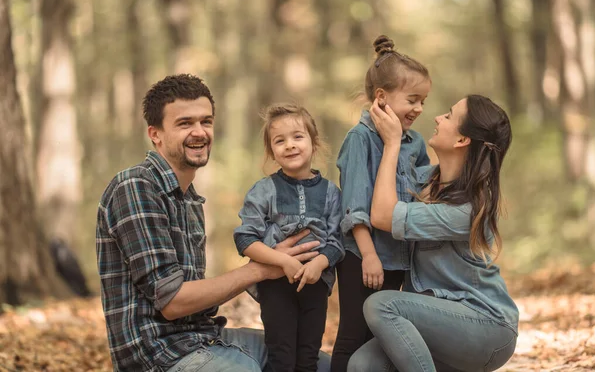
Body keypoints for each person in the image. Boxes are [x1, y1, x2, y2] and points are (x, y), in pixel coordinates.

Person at [96, 74, 331, 372]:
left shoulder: (190, 199)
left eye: (206, 122)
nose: (199, 132)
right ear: (155, 134)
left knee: (325, 366)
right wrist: (261, 268)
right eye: (185, 123)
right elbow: (173, 303)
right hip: (158, 356)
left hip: (205, 338)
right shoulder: (135, 186)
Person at [347, 95, 519, 371]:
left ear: (462, 140)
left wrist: (392, 142)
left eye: (449, 116)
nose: (438, 118)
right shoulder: (423, 180)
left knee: (381, 306)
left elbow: (382, 215)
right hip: (436, 326)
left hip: (487, 327)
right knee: (362, 365)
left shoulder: (470, 207)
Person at [331, 35, 431, 371]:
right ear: (382, 97)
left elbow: (422, 191)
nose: (418, 109)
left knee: (384, 342)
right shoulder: (359, 139)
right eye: (412, 100)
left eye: (423, 102)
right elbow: (354, 205)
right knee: (353, 336)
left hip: (398, 257)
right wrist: (369, 255)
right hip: (364, 256)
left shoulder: (414, 142)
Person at [233, 104, 344, 372]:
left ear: (314, 142)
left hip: (315, 284)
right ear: (272, 152)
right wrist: (281, 261)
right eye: (279, 141)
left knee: (308, 356)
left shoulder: (331, 192)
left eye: (297, 137)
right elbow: (245, 239)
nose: (290, 145)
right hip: (276, 286)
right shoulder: (264, 190)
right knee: (281, 353)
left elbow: (338, 239)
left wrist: (319, 264)